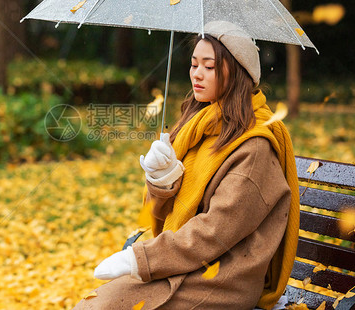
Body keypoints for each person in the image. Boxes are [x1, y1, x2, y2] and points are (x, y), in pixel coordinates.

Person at [72, 21, 300, 310]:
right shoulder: (199, 127)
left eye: (209, 66)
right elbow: (166, 212)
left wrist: (140, 259)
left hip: (223, 279)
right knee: (93, 305)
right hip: (186, 264)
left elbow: (215, 231)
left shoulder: (254, 147)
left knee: (101, 307)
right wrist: (163, 181)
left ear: (238, 73)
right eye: (194, 64)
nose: (197, 74)